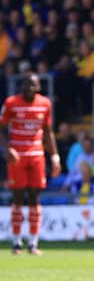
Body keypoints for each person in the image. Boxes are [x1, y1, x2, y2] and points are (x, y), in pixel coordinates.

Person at [0, 72, 61, 255]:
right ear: (21, 87)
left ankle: (34, 243)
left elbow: (48, 131)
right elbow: (0, 128)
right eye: (26, 85)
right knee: (18, 198)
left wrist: (55, 155)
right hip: (17, 155)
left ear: (39, 87)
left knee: (35, 197)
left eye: (33, 85)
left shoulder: (45, 104)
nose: (29, 88)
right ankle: (16, 242)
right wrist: (6, 148)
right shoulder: (11, 103)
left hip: (36, 154)